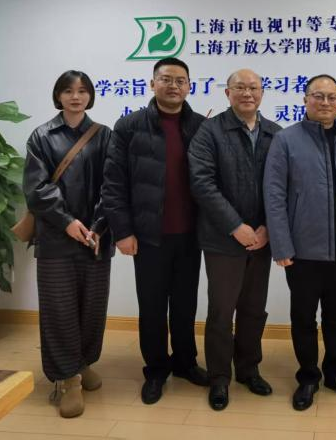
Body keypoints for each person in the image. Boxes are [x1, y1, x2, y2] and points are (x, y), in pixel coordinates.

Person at [101, 57, 208, 405]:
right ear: (152, 83)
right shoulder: (129, 126)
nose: (173, 85)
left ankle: (185, 363)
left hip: (191, 234)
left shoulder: (201, 126)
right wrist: (122, 231)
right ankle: (157, 369)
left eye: (180, 80)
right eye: (166, 79)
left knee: (185, 304)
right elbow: (113, 183)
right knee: (152, 306)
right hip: (148, 236)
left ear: (189, 86)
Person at [264, 74, 336, 411]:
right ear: (305, 99)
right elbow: (274, 195)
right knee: (304, 317)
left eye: (332, 97)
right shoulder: (285, 140)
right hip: (302, 249)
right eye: (318, 96)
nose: (325, 102)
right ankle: (309, 376)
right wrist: (281, 245)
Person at [188, 68, 281, 411]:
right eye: (239, 87)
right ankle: (219, 377)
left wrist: (267, 227)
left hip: (262, 239)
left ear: (262, 92)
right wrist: (235, 226)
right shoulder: (209, 131)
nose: (247, 93)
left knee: (254, 309)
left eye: (253, 87)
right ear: (227, 93)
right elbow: (202, 183)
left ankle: (248, 369)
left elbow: (282, 186)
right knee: (221, 311)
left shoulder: (275, 133)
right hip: (222, 239)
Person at [23, 70, 113, 418]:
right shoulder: (42, 136)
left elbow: (113, 185)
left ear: (90, 96)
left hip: (95, 238)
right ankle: (67, 377)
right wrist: (68, 222)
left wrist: (97, 226)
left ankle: (83, 362)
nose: (76, 97)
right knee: (59, 309)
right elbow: (37, 189)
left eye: (82, 91)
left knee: (92, 306)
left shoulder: (104, 135)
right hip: (56, 238)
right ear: (58, 96)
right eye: (68, 91)